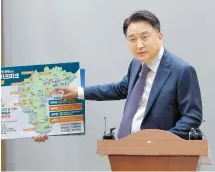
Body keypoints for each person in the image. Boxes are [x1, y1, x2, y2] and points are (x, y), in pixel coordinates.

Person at [33, 9, 203, 142]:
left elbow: (192, 117)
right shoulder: (136, 64)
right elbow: (120, 89)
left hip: (161, 156)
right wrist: (79, 92)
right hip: (126, 149)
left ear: (160, 37)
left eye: (145, 37)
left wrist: (161, 141)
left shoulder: (182, 70)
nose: (139, 45)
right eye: (132, 39)